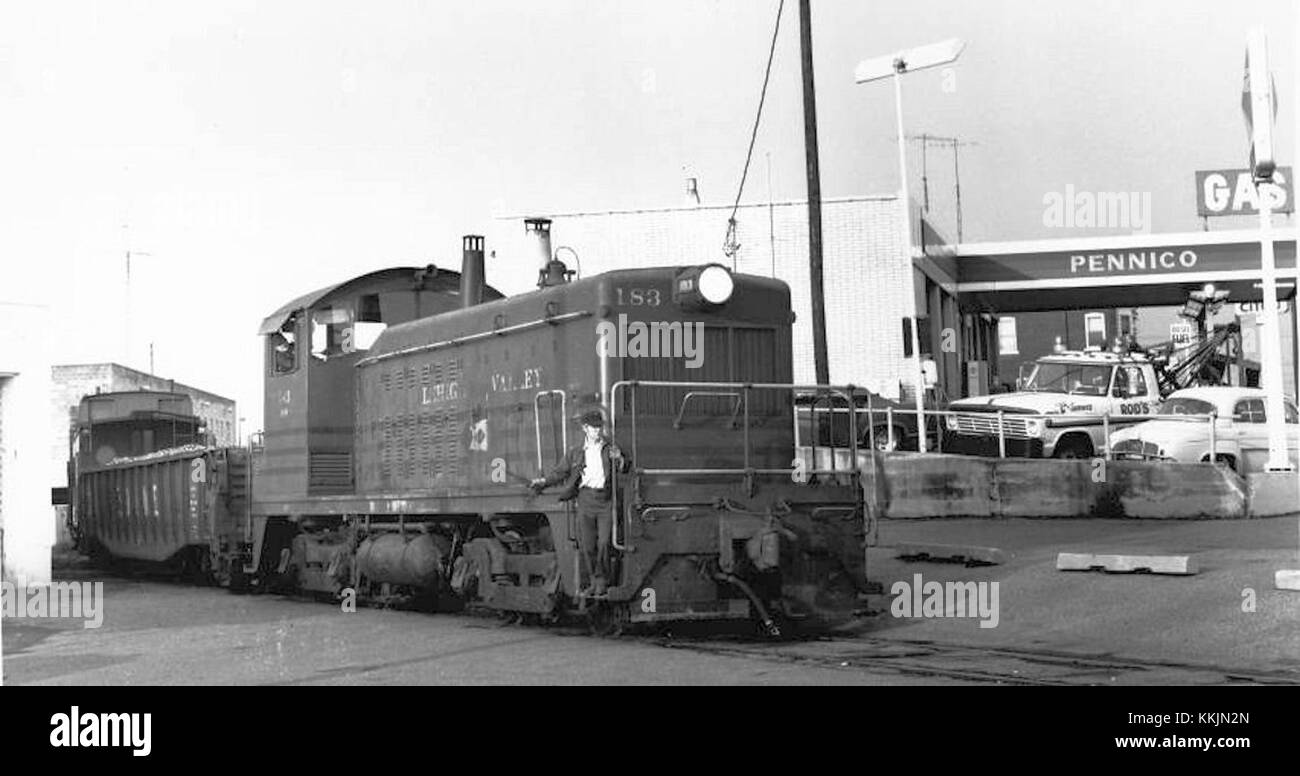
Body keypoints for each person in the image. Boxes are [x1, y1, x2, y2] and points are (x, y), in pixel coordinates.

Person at [530, 409, 628, 596]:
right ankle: (594, 581)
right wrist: (542, 482)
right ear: (585, 429)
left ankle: (603, 581)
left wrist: (620, 460)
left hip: (605, 501)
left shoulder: (610, 448)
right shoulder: (576, 453)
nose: (597, 431)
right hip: (585, 499)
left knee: (605, 542)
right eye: (593, 428)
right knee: (588, 545)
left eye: (599, 427)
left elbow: (624, 467)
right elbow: (560, 472)